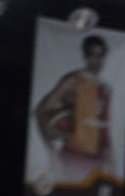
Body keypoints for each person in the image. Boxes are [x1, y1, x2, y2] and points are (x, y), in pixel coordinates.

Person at [34, 34, 112, 182]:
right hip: (75, 157)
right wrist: (51, 150)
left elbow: (105, 128)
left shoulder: (105, 89)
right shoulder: (74, 80)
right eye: (93, 54)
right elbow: (40, 111)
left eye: (100, 55)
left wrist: (111, 160)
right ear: (86, 56)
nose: (97, 60)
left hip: (99, 160)